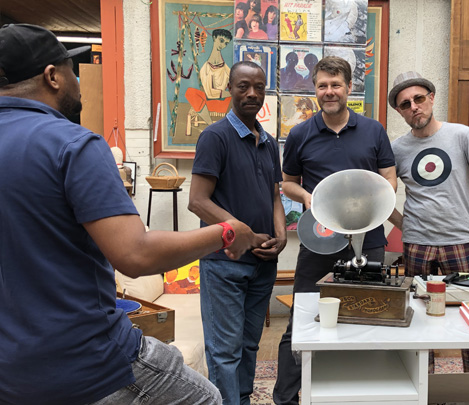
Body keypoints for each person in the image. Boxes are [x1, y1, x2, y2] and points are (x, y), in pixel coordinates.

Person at [0, 23, 265, 404]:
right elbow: (136, 254)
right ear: (52, 76)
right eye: (73, 71)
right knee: (207, 397)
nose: (78, 82)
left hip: (11, 372)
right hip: (89, 363)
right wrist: (226, 232)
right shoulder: (73, 144)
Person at [272, 56, 397, 405]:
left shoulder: (374, 130)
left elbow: (389, 178)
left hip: (368, 240)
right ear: (315, 89)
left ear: (349, 88)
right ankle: (285, 398)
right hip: (319, 241)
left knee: (368, 316)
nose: (329, 91)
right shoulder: (299, 134)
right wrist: (310, 198)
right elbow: (287, 184)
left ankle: (358, 393)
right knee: (303, 318)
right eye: (323, 85)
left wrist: (382, 201)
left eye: (336, 85)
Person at [387, 71, 469, 400]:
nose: (414, 107)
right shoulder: (397, 148)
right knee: (419, 319)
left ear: (432, 98)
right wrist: (404, 225)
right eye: (405, 104)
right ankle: (423, 388)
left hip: (459, 243)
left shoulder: (461, 135)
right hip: (417, 246)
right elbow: (379, 196)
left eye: (419, 99)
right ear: (400, 112)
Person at [189, 61, 287, 405]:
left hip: (263, 263)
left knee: (248, 345)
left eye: (259, 87)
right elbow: (197, 201)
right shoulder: (215, 137)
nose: (252, 94)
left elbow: (275, 194)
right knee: (224, 352)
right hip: (225, 264)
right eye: (243, 86)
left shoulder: (268, 141)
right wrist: (242, 231)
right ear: (229, 88)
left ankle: (241, 399)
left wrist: (281, 234)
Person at [185, 28, 233, 135]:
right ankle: (210, 124)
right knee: (190, 92)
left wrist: (229, 94)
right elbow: (210, 94)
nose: (223, 45)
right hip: (211, 101)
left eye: (226, 43)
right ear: (214, 38)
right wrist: (230, 93)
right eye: (221, 41)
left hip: (223, 103)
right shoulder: (206, 68)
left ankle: (211, 126)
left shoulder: (226, 69)